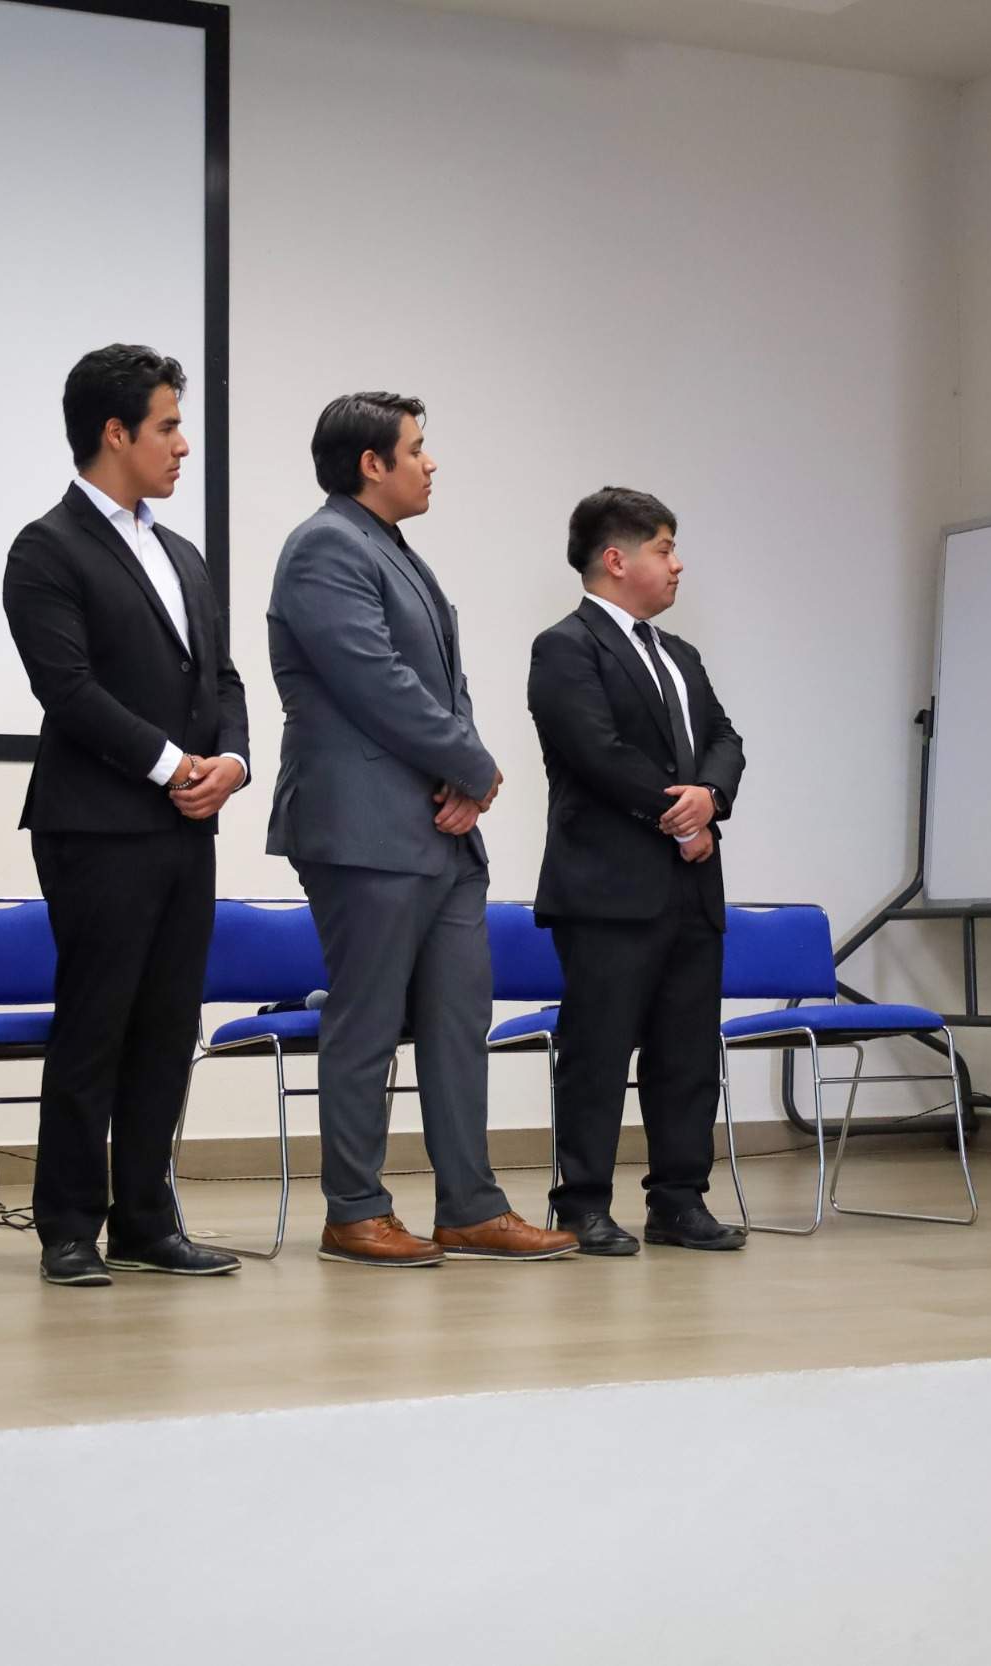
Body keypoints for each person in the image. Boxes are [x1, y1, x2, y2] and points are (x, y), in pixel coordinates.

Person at [265, 393, 575, 1267]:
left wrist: (465, 776)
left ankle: (470, 1206)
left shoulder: (396, 551)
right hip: (363, 827)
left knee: (456, 1020)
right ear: (372, 463)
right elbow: (374, 680)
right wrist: (473, 765)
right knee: (366, 1022)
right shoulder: (325, 545)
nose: (430, 463)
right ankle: (354, 1211)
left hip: (441, 829)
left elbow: (445, 686)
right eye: (416, 448)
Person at [2, 345, 247, 1288]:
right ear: (115, 433)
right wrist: (171, 763)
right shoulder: (46, 547)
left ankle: (147, 1218)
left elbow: (222, 678)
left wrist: (230, 763)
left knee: (168, 1024)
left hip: (187, 823)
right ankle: (69, 1225)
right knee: (96, 1022)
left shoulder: (182, 554)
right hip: (98, 824)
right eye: (168, 426)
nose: (183, 445)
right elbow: (67, 689)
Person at [528, 488, 748, 1254]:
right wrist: (681, 817)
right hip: (608, 890)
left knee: (686, 1053)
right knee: (596, 1053)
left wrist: (711, 796)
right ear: (617, 560)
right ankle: (581, 1204)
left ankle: (679, 1201)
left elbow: (725, 739)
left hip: (691, 885)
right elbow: (597, 753)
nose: (678, 563)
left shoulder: (680, 654)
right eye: (664, 548)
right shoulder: (565, 647)